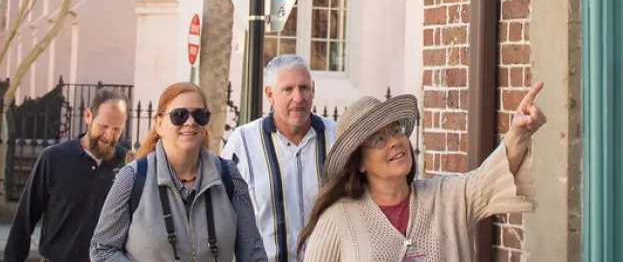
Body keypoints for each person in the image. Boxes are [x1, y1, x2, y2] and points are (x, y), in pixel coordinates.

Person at [298, 81, 548, 262]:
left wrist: (519, 133)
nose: (395, 141)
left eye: (396, 131)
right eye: (379, 139)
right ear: (360, 163)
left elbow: (490, 179)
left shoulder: (446, 198)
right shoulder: (337, 219)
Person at [90, 82, 266, 262]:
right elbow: (103, 249)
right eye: (179, 115)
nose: (190, 122)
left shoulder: (229, 175)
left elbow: (253, 253)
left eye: (199, 115)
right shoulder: (133, 177)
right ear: (159, 124)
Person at [221, 55, 338, 262]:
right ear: (270, 94)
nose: (298, 98)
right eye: (288, 89)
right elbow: (223, 213)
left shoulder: (337, 137)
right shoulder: (243, 142)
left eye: (304, 88)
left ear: (313, 89)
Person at [4, 87, 130, 262]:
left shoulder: (128, 165)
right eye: (103, 126)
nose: (109, 135)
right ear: (88, 116)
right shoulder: (53, 158)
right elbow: (24, 220)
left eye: (117, 129)